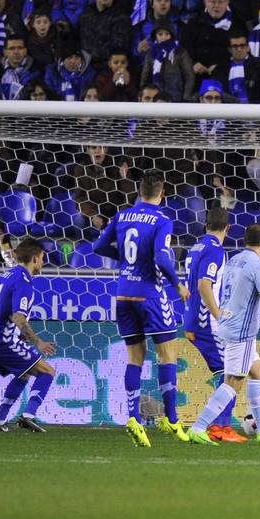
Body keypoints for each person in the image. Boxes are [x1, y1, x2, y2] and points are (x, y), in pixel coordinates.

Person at [91, 172, 192, 447]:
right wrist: (178, 284)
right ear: (164, 191)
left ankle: (134, 418)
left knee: (134, 357)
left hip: (123, 294)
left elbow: (98, 245)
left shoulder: (122, 216)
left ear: (139, 189)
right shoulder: (162, 220)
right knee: (167, 354)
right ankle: (172, 420)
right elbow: (161, 256)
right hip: (150, 294)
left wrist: (125, 261)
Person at [192, 223, 260, 445]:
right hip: (240, 331)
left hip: (228, 324)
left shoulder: (233, 260)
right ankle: (198, 427)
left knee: (257, 373)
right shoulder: (259, 266)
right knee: (234, 382)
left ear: (244, 241)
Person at [0, 237, 57, 434]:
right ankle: (28, 416)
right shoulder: (24, 281)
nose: (43, 262)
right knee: (47, 372)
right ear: (35, 259)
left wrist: (21, 336)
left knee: (25, 372)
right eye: (42, 258)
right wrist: (38, 342)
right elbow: (19, 317)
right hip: (0, 341)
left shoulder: (8, 274)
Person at [182, 207, 245, 445]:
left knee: (229, 371)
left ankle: (220, 423)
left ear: (205, 225)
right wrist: (219, 316)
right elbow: (204, 285)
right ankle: (219, 426)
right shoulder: (215, 250)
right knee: (234, 373)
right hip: (206, 322)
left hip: (192, 318)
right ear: (228, 228)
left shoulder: (195, 247)